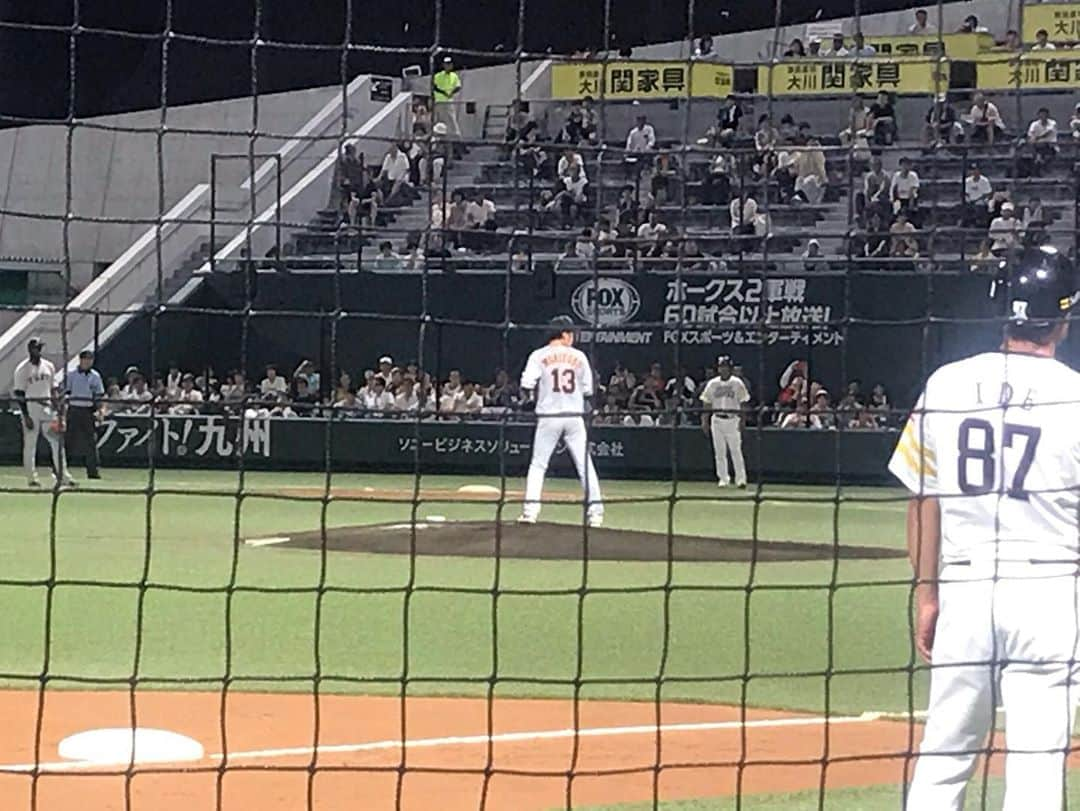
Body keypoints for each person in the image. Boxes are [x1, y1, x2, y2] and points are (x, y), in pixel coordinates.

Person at [890, 245, 1080, 809]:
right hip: (1049, 594)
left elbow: (922, 499)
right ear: (1063, 319)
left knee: (943, 759)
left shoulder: (946, 385)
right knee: (1036, 769)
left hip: (966, 591)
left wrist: (927, 593)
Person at [518, 316, 603, 527]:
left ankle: (530, 512)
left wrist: (531, 399)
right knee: (585, 464)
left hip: (549, 416)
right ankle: (595, 514)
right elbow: (588, 390)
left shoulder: (538, 355)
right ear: (564, 334)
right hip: (574, 417)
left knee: (538, 465)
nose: (573, 337)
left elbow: (526, 384)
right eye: (571, 333)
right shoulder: (579, 356)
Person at [13, 338, 73, 488]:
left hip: (46, 407)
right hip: (31, 406)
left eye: (39, 348)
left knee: (56, 441)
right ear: (30, 349)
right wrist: (25, 415)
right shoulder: (22, 369)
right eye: (35, 348)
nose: (38, 351)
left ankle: (63, 475)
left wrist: (57, 408)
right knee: (30, 444)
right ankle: (31, 478)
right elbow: (19, 393)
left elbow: (53, 388)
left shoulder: (49, 366)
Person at [700, 356, 750, 488]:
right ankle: (723, 478)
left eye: (726, 366)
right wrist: (704, 421)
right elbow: (706, 403)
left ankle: (741, 479)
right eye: (721, 366)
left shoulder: (737, 383)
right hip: (716, 419)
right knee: (719, 451)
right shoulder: (713, 383)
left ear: (730, 369)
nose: (723, 369)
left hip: (733, 419)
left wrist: (742, 421)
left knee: (736, 450)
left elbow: (744, 402)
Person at [64, 349, 104, 480]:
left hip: (87, 410)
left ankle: (93, 471)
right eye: (86, 359)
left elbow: (99, 395)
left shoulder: (95, 376)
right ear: (80, 360)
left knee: (91, 442)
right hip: (74, 409)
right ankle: (61, 469)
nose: (88, 362)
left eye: (90, 359)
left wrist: (100, 411)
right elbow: (66, 392)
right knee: (69, 441)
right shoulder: (71, 375)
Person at [432, 55, 462, 140]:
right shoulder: (438, 76)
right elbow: (434, 87)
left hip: (448, 101)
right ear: (443, 65)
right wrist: (444, 92)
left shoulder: (454, 76)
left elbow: (458, 86)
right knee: (440, 121)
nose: (448, 66)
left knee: (451, 120)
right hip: (439, 101)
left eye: (449, 64)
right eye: (446, 64)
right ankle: (441, 138)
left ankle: (455, 138)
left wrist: (451, 93)